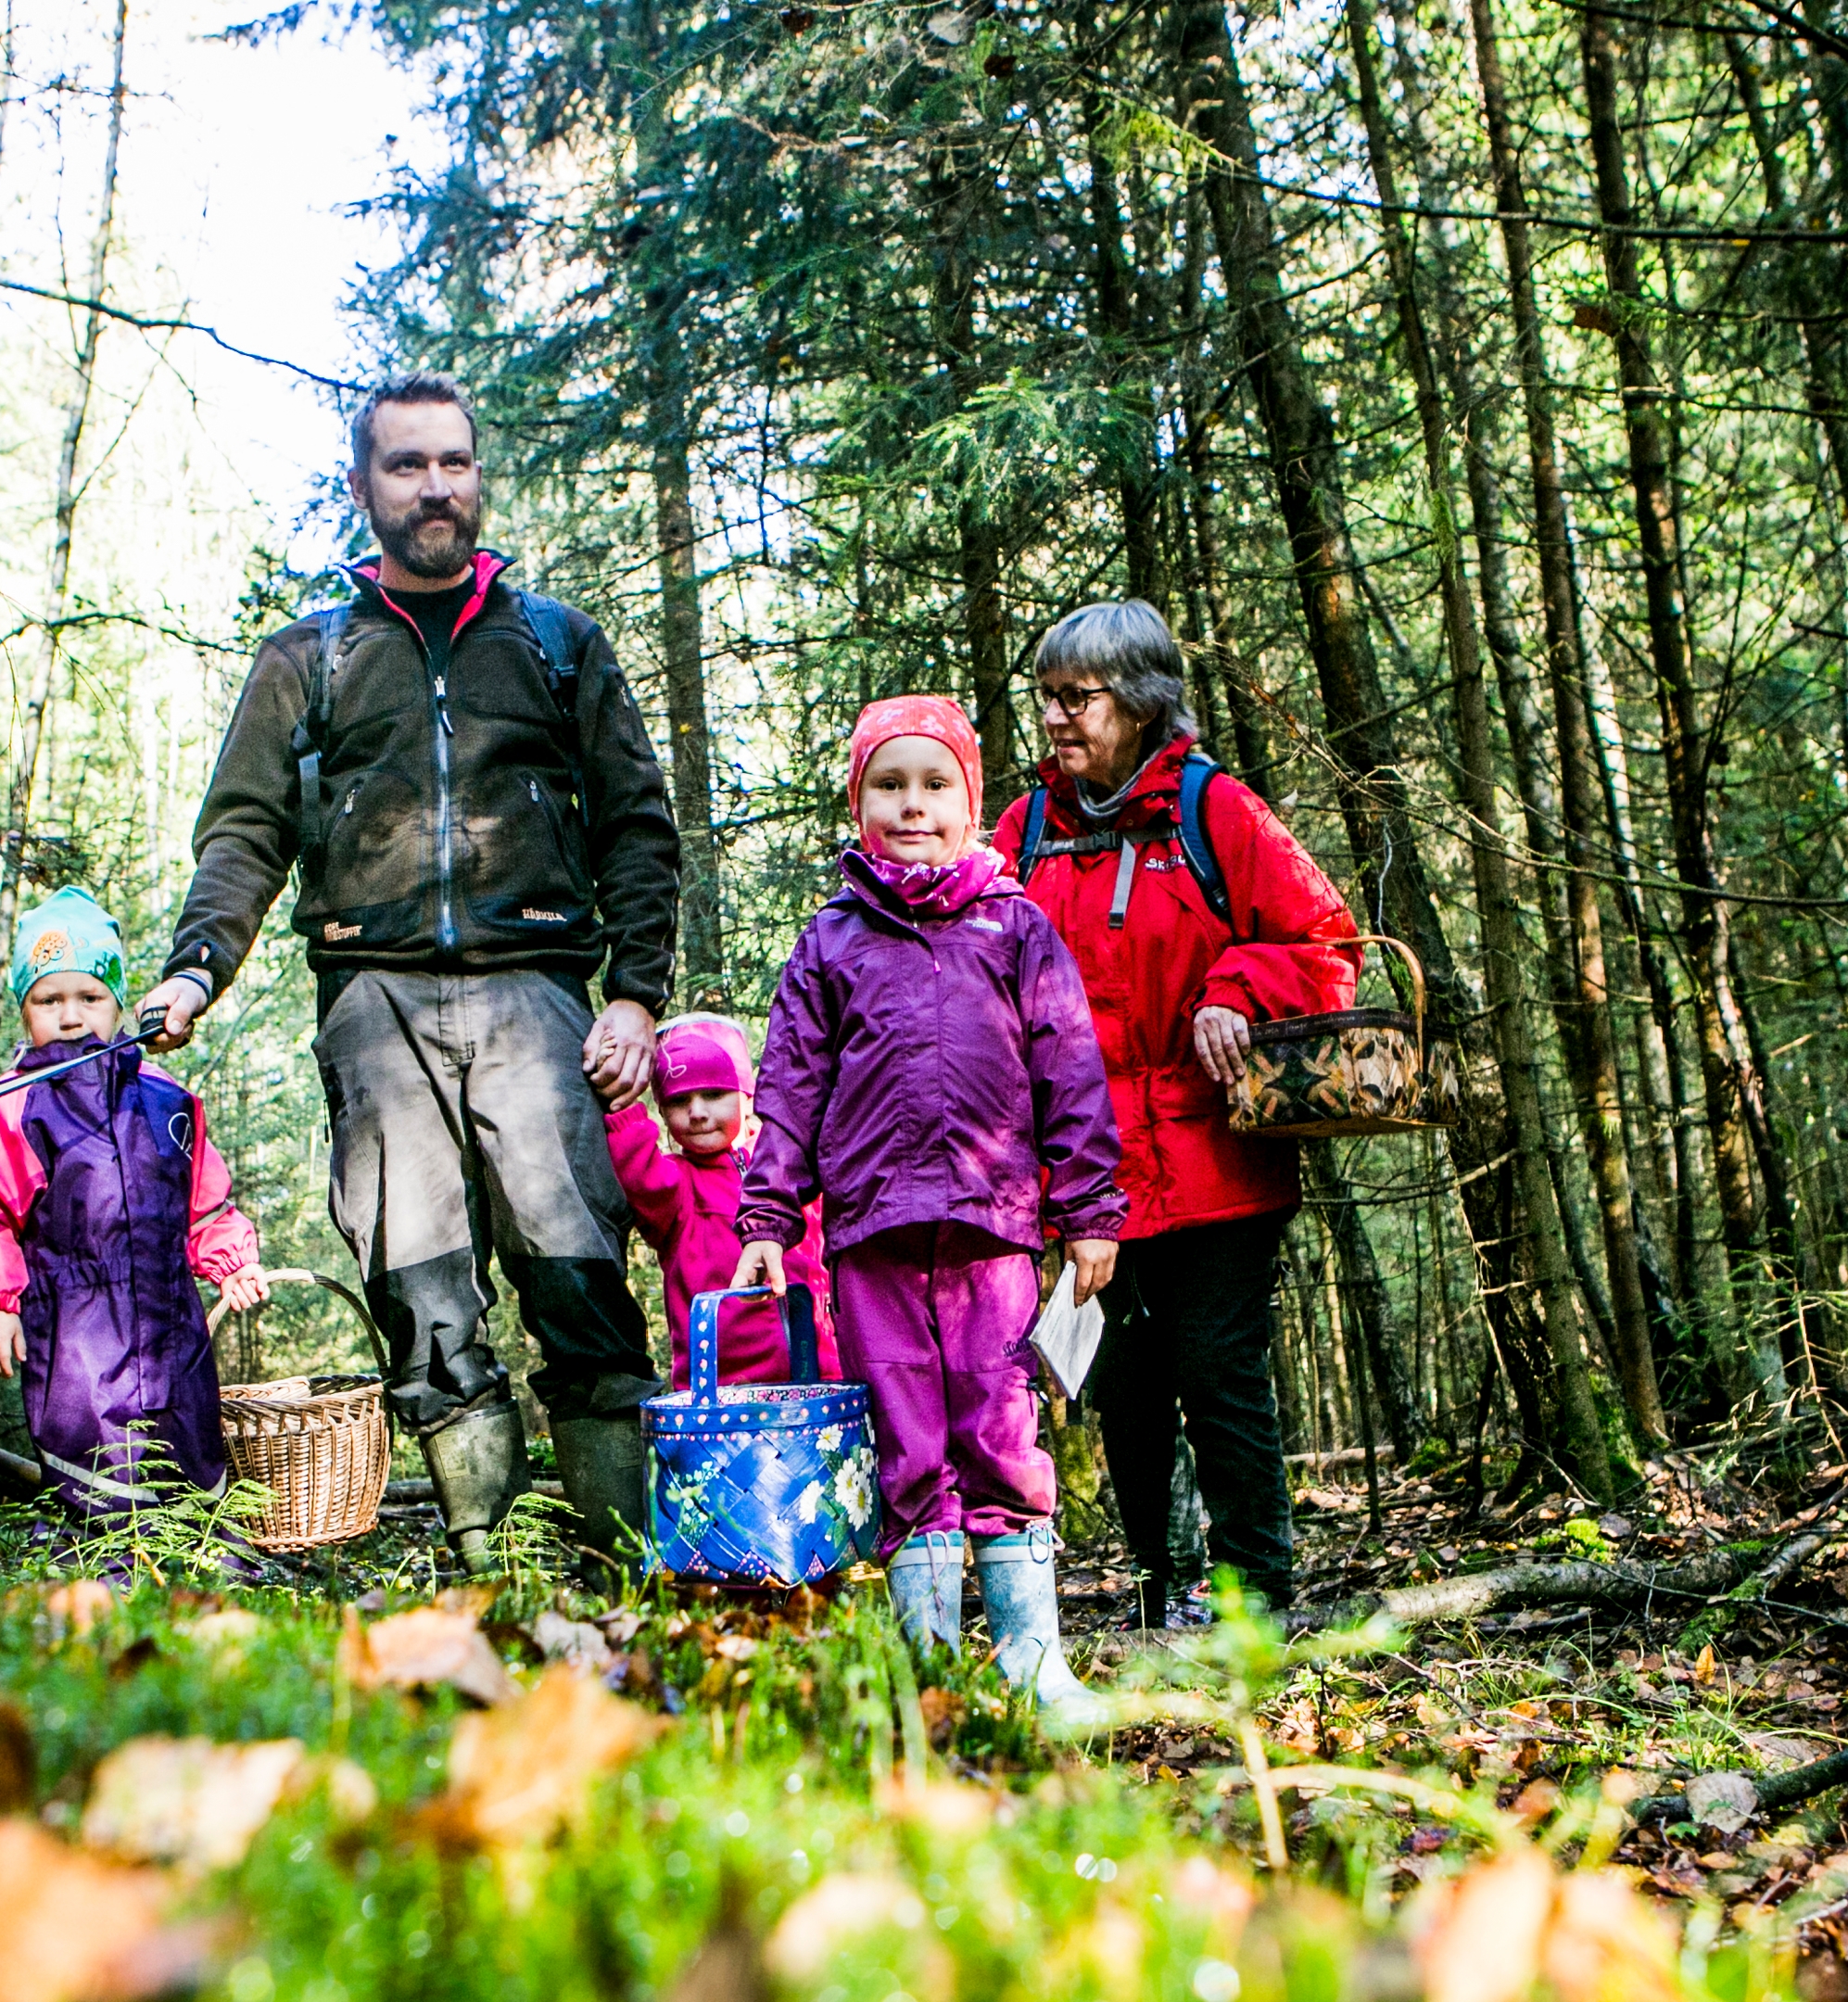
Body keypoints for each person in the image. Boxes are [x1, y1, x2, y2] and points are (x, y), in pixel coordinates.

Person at [133, 373, 681, 1570]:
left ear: (478, 476)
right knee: (425, 1304)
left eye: (453, 463)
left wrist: (635, 991)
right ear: (362, 487)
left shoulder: (556, 645)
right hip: (372, 1003)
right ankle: (501, 1573)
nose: (435, 487)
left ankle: (621, 1575)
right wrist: (193, 971)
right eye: (406, 465)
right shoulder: (309, 658)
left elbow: (637, 824)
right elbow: (243, 832)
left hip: (539, 993)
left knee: (580, 1286)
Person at [732, 694, 1126, 1717]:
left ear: (971, 800)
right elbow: (788, 1089)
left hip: (994, 1232)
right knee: (906, 1449)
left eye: (935, 784)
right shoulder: (830, 943)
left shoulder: (1017, 929)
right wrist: (769, 1220)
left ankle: (1033, 1660)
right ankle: (931, 1667)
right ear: (859, 803)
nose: (913, 806)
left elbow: (1069, 1074)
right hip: (870, 1237)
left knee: (1001, 1431)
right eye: (889, 786)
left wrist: (1089, 1211)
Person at [990, 601, 1360, 1623]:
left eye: (1079, 698)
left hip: (1219, 1166)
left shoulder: (1217, 812)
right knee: (1125, 1391)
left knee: (1221, 1376)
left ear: (1143, 702)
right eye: (1047, 699)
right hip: (1089, 1176)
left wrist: (1237, 986)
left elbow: (1326, 945)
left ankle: (1255, 1597)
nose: (1057, 720)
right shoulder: (1024, 834)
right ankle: (1159, 1587)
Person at [0, 888, 274, 1530]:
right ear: (24, 1011)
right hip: (74, 1333)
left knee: (189, 1445)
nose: (71, 1017)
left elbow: (203, 1201)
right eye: (49, 1000)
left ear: (119, 1005)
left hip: (171, 1318)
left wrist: (230, 1261)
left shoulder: (164, 1098)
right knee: (91, 1464)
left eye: (89, 998)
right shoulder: (9, 1107)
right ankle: (102, 1566)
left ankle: (202, 1557)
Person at [601, 1012, 839, 1387]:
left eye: (714, 1094)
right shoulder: (677, 1185)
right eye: (680, 1102)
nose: (697, 1113)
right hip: (722, 1394)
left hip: (821, 1375)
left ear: (747, 1097)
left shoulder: (789, 1168)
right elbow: (640, 1177)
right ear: (662, 1112)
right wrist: (621, 1103)